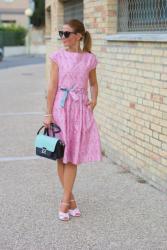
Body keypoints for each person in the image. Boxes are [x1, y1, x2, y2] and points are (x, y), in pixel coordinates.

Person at [43, 19, 103, 221]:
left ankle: (65, 200)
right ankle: (70, 200)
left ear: (78, 35)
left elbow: (93, 83)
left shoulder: (89, 59)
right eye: (61, 33)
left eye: (66, 34)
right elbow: (52, 86)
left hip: (79, 110)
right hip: (61, 108)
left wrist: (94, 100)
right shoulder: (58, 57)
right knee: (61, 155)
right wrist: (48, 113)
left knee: (73, 156)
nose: (63, 37)